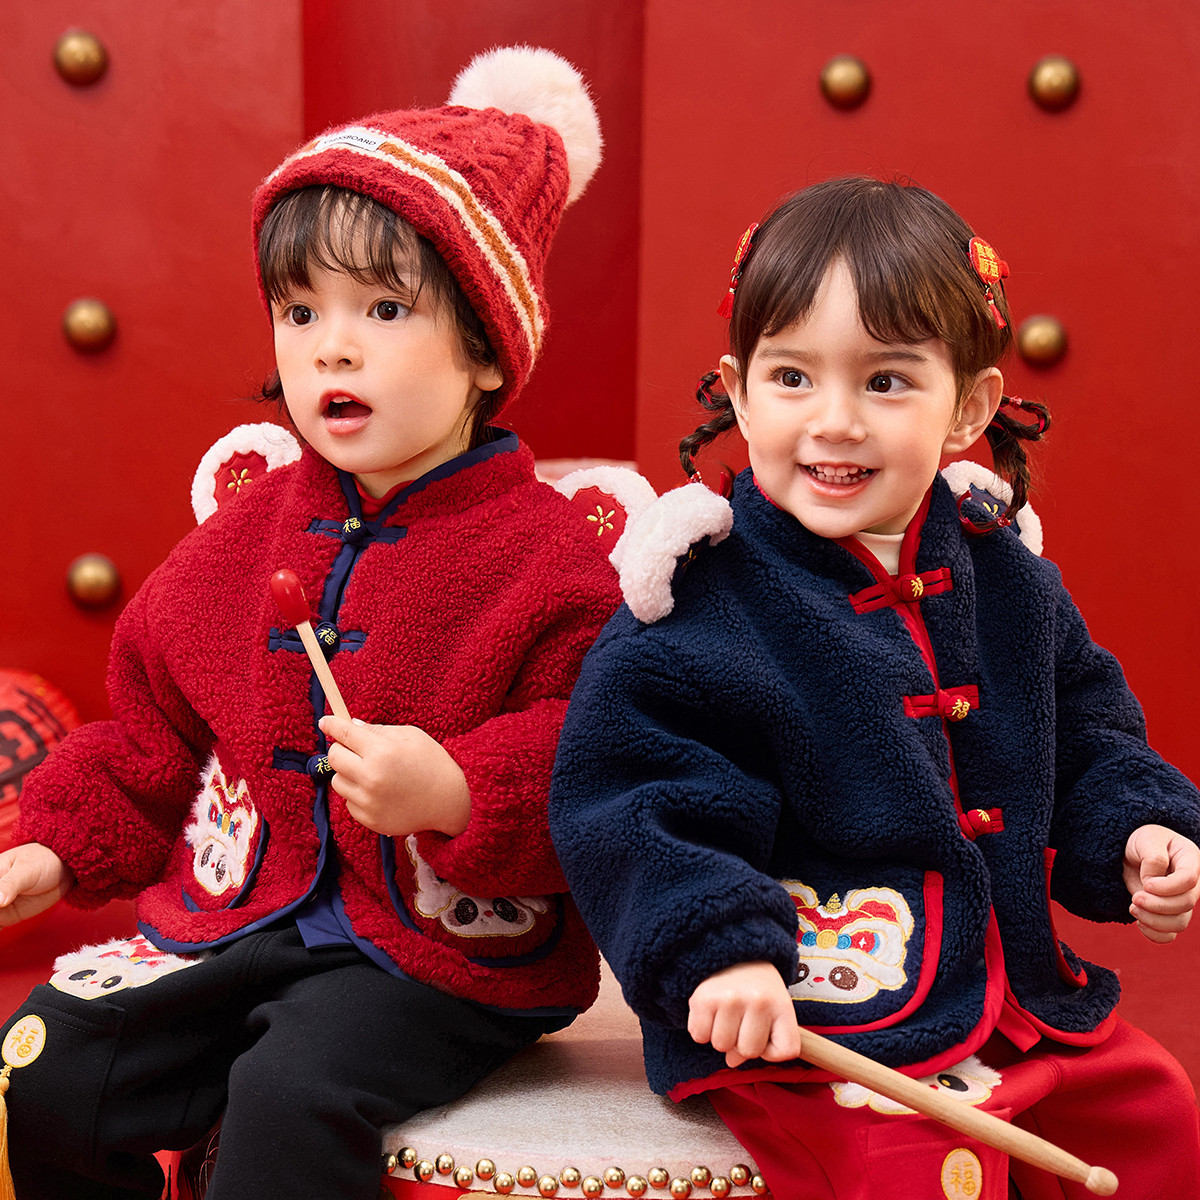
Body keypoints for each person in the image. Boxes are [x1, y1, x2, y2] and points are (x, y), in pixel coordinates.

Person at [0, 46, 619, 1200]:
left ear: (488, 349)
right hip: (243, 920)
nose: (330, 344)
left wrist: (458, 790)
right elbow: (147, 734)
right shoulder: (243, 539)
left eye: (383, 309)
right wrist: (53, 842)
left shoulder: (546, 560)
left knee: (289, 1095)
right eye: (301, 310)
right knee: (43, 1064)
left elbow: (593, 759)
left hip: (438, 958)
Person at [548, 176, 1200, 1199]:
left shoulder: (1007, 577)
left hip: (1013, 991)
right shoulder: (700, 602)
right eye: (794, 378)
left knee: (1156, 1118)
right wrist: (719, 953)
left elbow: (1086, 728)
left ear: (969, 408)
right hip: (810, 1013)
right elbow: (632, 797)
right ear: (739, 387)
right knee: (917, 1168)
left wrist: (1136, 831)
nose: (835, 422)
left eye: (887, 382)